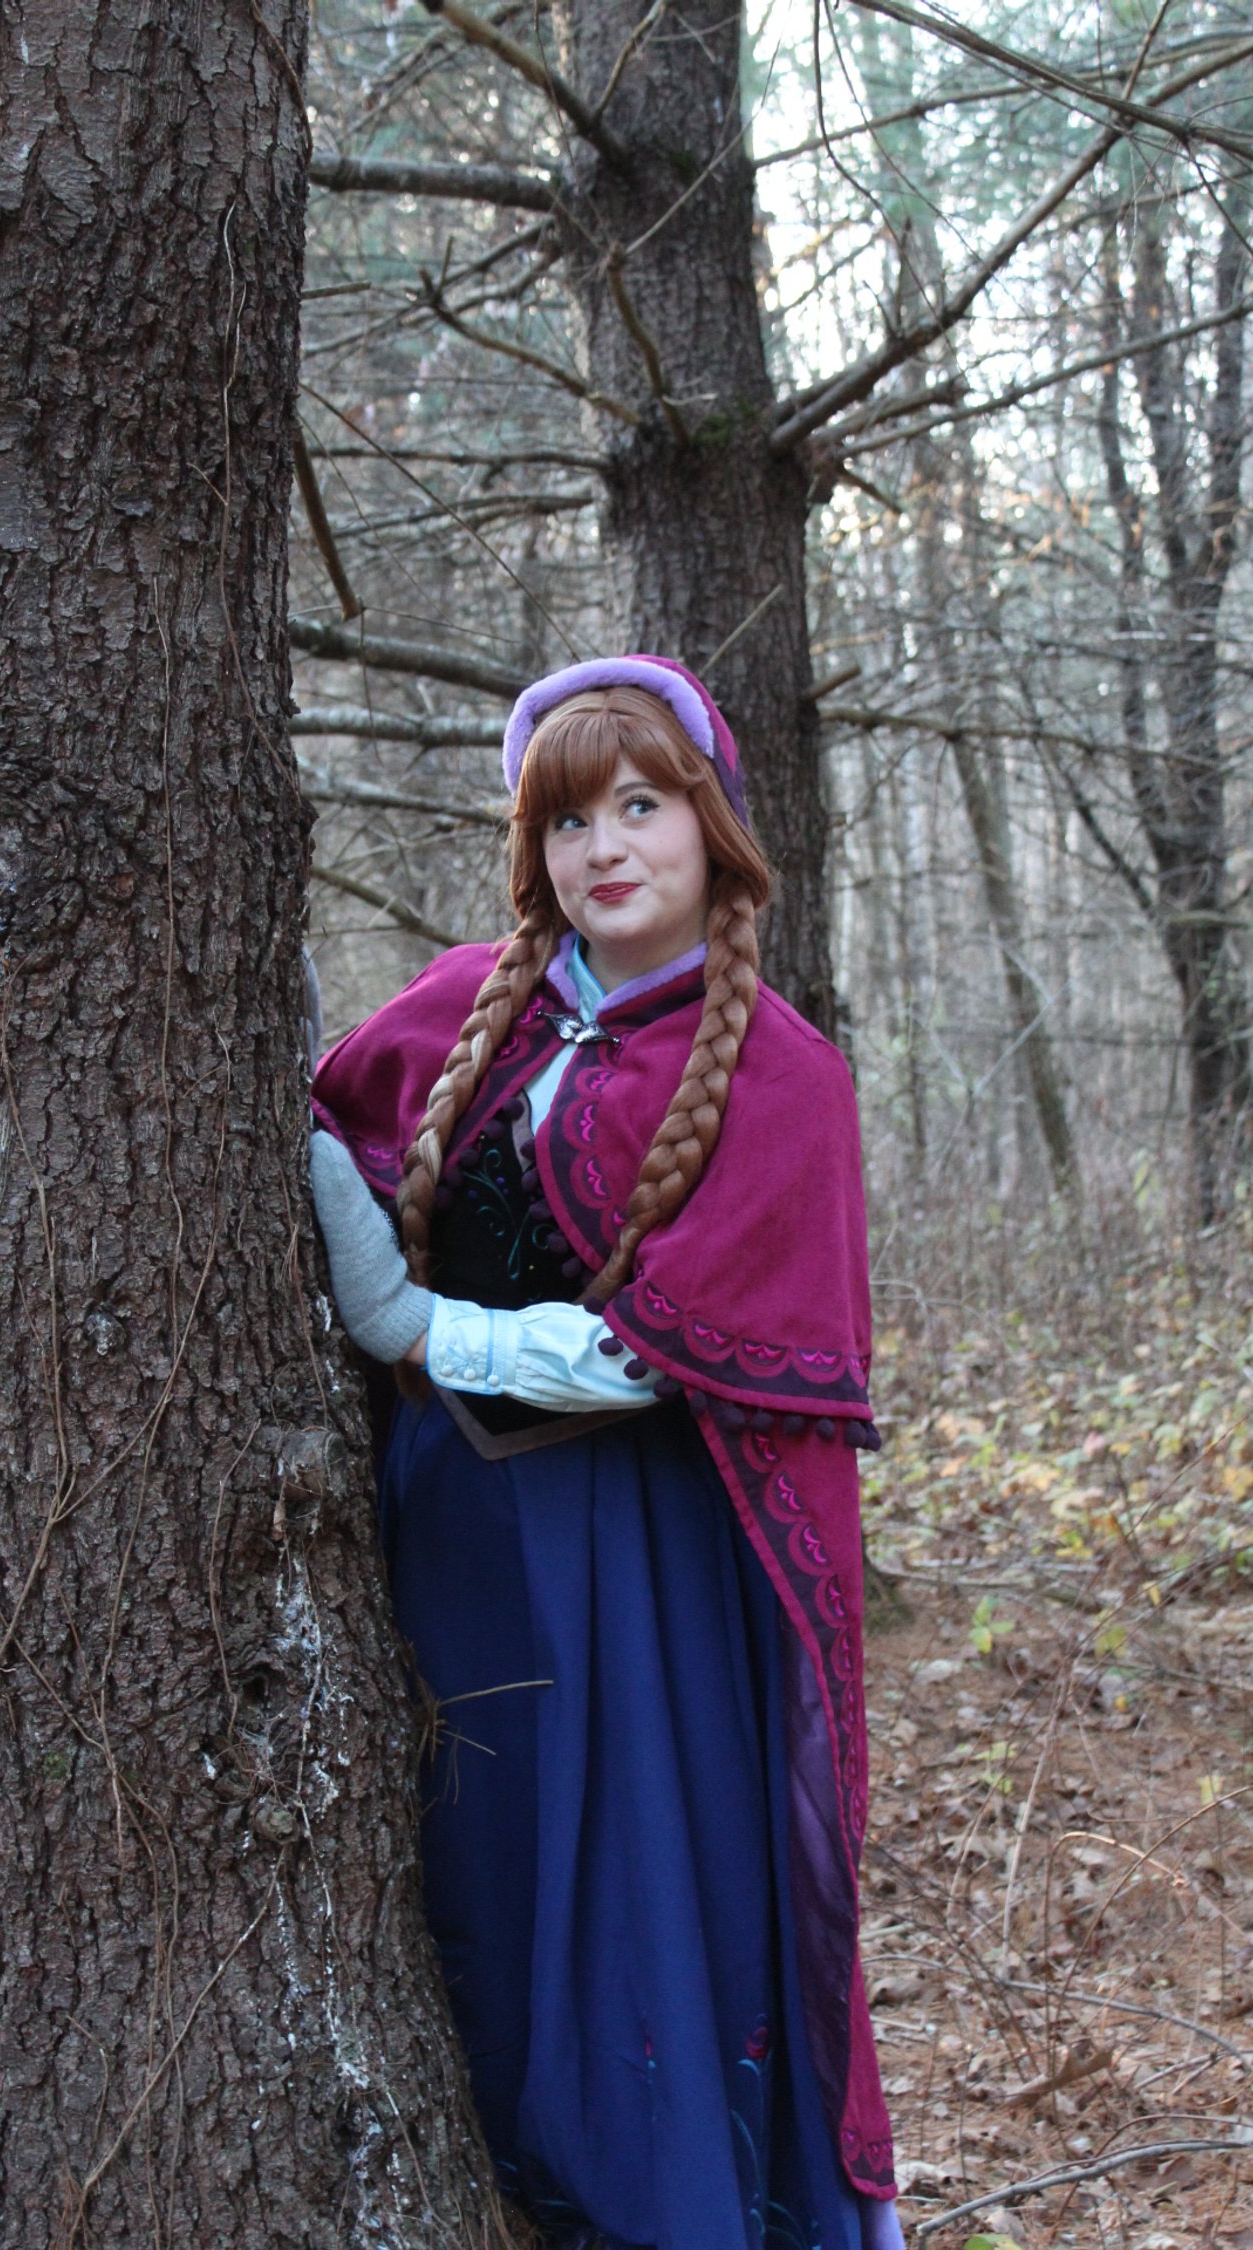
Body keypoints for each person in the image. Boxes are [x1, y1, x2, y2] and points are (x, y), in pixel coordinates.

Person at [309, 655, 903, 2250]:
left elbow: (663, 1353)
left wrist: (427, 1332)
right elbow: (304, 1117)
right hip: (452, 1540)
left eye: (640, 804)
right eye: (567, 818)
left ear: (711, 824)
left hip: (644, 1562)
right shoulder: (466, 1007)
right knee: (483, 1886)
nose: (604, 848)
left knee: (637, 1900)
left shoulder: (783, 1074)